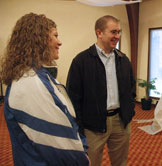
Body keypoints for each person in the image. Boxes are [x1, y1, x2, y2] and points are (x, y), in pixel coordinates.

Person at [0, 13, 90, 166]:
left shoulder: (37, 74)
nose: (59, 42)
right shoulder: (29, 83)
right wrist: (82, 159)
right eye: (55, 35)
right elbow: (56, 143)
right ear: (38, 40)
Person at [66, 15, 136, 166]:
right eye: (113, 32)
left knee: (120, 162)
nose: (117, 36)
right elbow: (73, 98)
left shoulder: (123, 60)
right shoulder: (81, 61)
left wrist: (129, 113)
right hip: (93, 124)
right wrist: (79, 126)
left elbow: (131, 89)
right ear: (99, 33)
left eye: (119, 32)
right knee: (91, 163)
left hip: (120, 122)